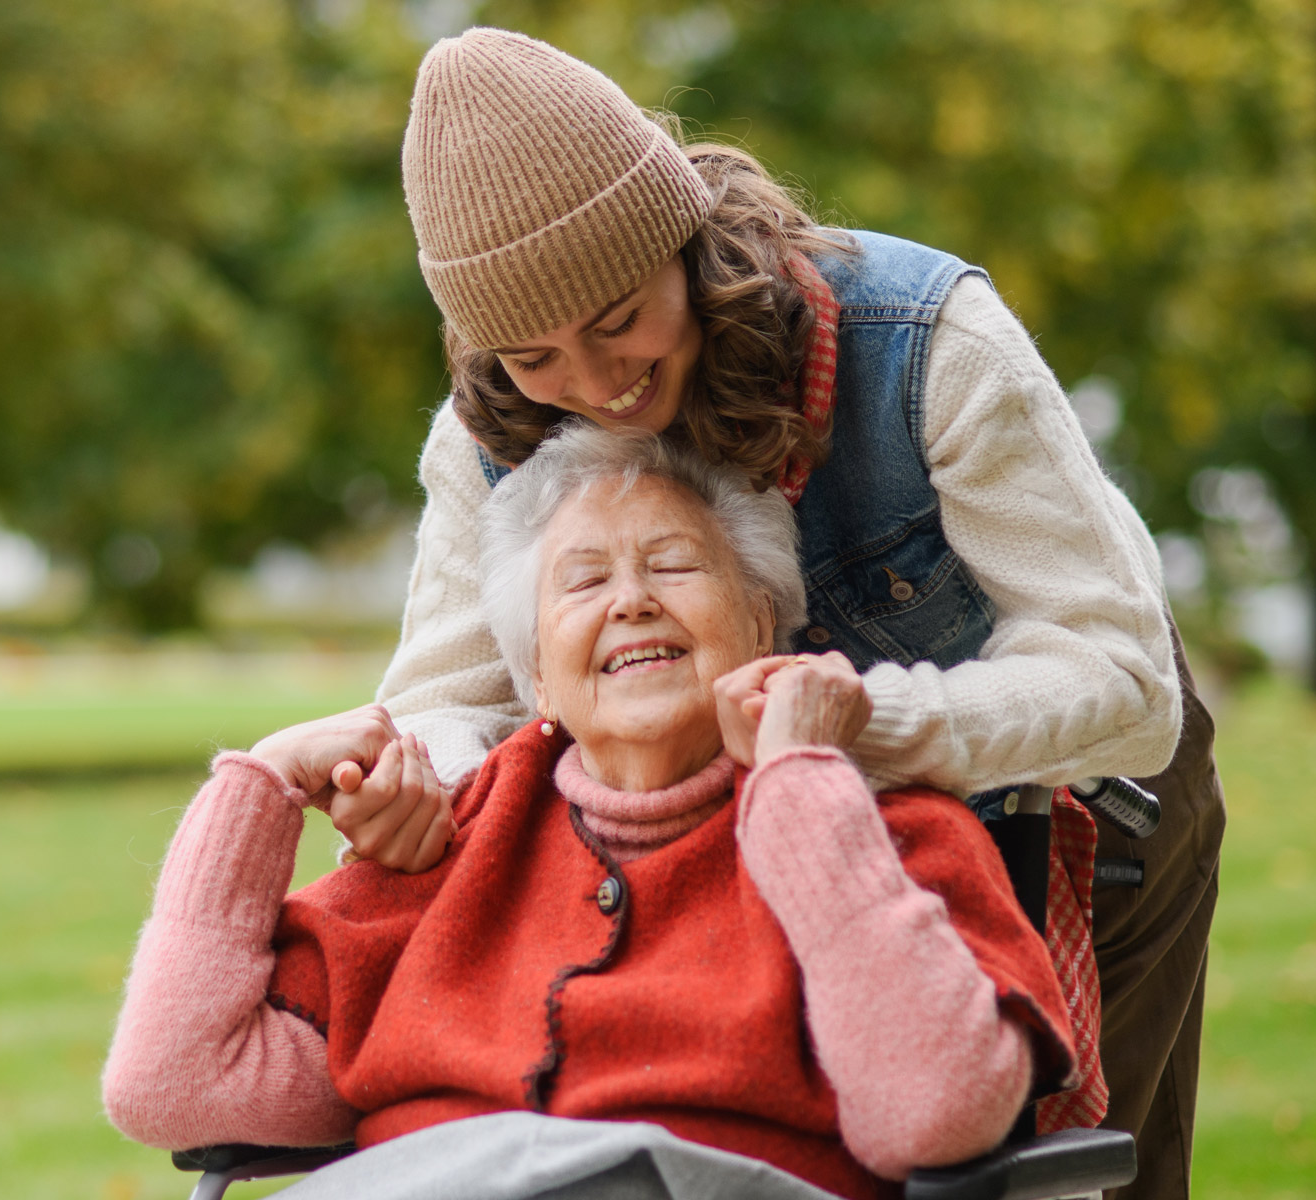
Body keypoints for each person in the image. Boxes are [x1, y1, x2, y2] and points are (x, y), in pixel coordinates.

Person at [292, 29, 1223, 1196]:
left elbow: (1125, 686)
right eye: (532, 355)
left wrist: (853, 732)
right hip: (740, 869)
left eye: (618, 318)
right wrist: (413, 775)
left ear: (678, 245)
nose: (590, 385)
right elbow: (444, 698)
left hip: (1074, 814)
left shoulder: (928, 344)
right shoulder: (481, 441)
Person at [104, 429, 1081, 1200]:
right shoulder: (447, 842)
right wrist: (260, 785)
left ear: (759, 622)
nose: (630, 602)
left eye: (673, 565)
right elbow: (174, 1084)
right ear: (535, 673)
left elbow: (936, 1115)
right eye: (582, 580)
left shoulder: (885, 833)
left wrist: (800, 787)